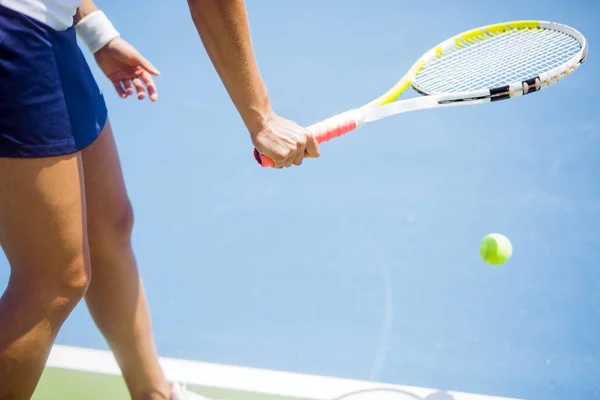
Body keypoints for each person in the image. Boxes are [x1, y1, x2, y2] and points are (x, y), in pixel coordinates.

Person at [0, 0, 320, 399]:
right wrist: (263, 117)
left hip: (49, 25)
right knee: (51, 280)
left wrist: (95, 29)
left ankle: (153, 393)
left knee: (107, 225)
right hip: (13, 28)